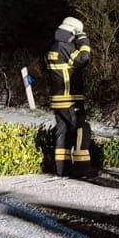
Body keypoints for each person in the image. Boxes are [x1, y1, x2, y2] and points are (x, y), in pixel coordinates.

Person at [44, 16, 96, 178]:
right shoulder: (64, 47)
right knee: (82, 129)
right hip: (70, 99)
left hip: (57, 99)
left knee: (62, 132)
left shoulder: (53, 47)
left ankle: (62, 169)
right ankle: (82, 169)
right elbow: (83, 59)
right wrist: (83, 39)